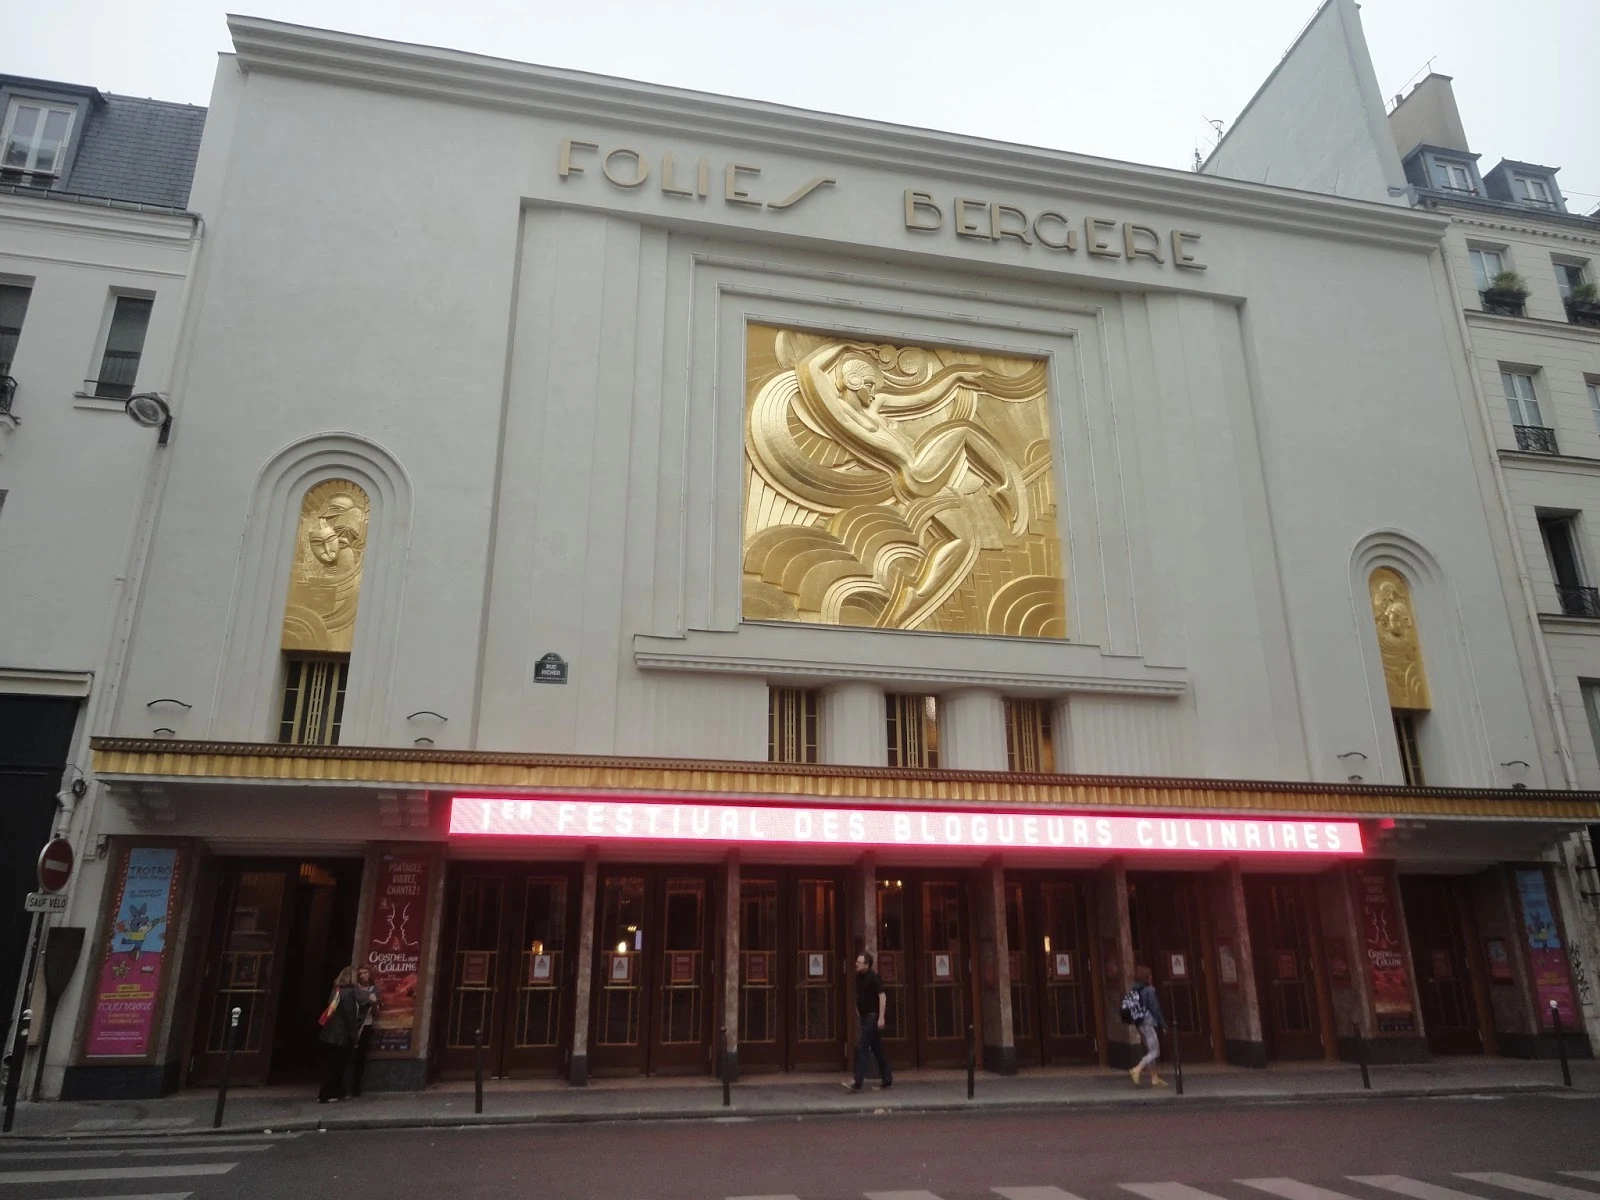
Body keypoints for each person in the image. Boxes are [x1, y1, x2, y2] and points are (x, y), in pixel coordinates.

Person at [843, 952, 892, 1092]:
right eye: (857, 961)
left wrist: (881, 1017)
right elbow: (859, 995)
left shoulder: (874, 977)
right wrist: (858, 1011)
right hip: (865, 1017)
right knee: (877, 1049)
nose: (856, 964)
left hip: (872, 1016)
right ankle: (887, 1078)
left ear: (867, 964)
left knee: (863, 1046)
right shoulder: (858, 977)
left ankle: (857, 1081)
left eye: (859, 962)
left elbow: (882, 997)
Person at [317, 966, 362, 1103]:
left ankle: (334, 1091)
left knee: (332, 1064)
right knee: (338, 1065)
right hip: (341, 1036)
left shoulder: (336, 990)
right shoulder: (349, 993)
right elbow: (349, 1016)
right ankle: (328, 1093)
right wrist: (354, 1037)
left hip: (330, 1033)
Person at [1128, 964, 1168, 1088]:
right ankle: (1137, 1069)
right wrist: (1163, 1024)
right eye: (1150, 975)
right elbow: (1155, 1008)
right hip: (1148, 1023)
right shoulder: (1149, 990)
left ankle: (1154, 1078)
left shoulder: (1134, 989)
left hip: (1139, 1023)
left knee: (1150, 1050)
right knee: (1155, 1051)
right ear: (1147, 977)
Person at [349, 964, 381, 1098]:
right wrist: (368, 998)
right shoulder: (355, 990)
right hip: (352, 1026)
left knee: (360, 1057)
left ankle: (355, 1087)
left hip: (366, 1025)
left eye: (365, 973)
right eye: (360, 973)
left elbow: (375, 1011)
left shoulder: (375, 989)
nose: (363, 975)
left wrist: (374, 1003)